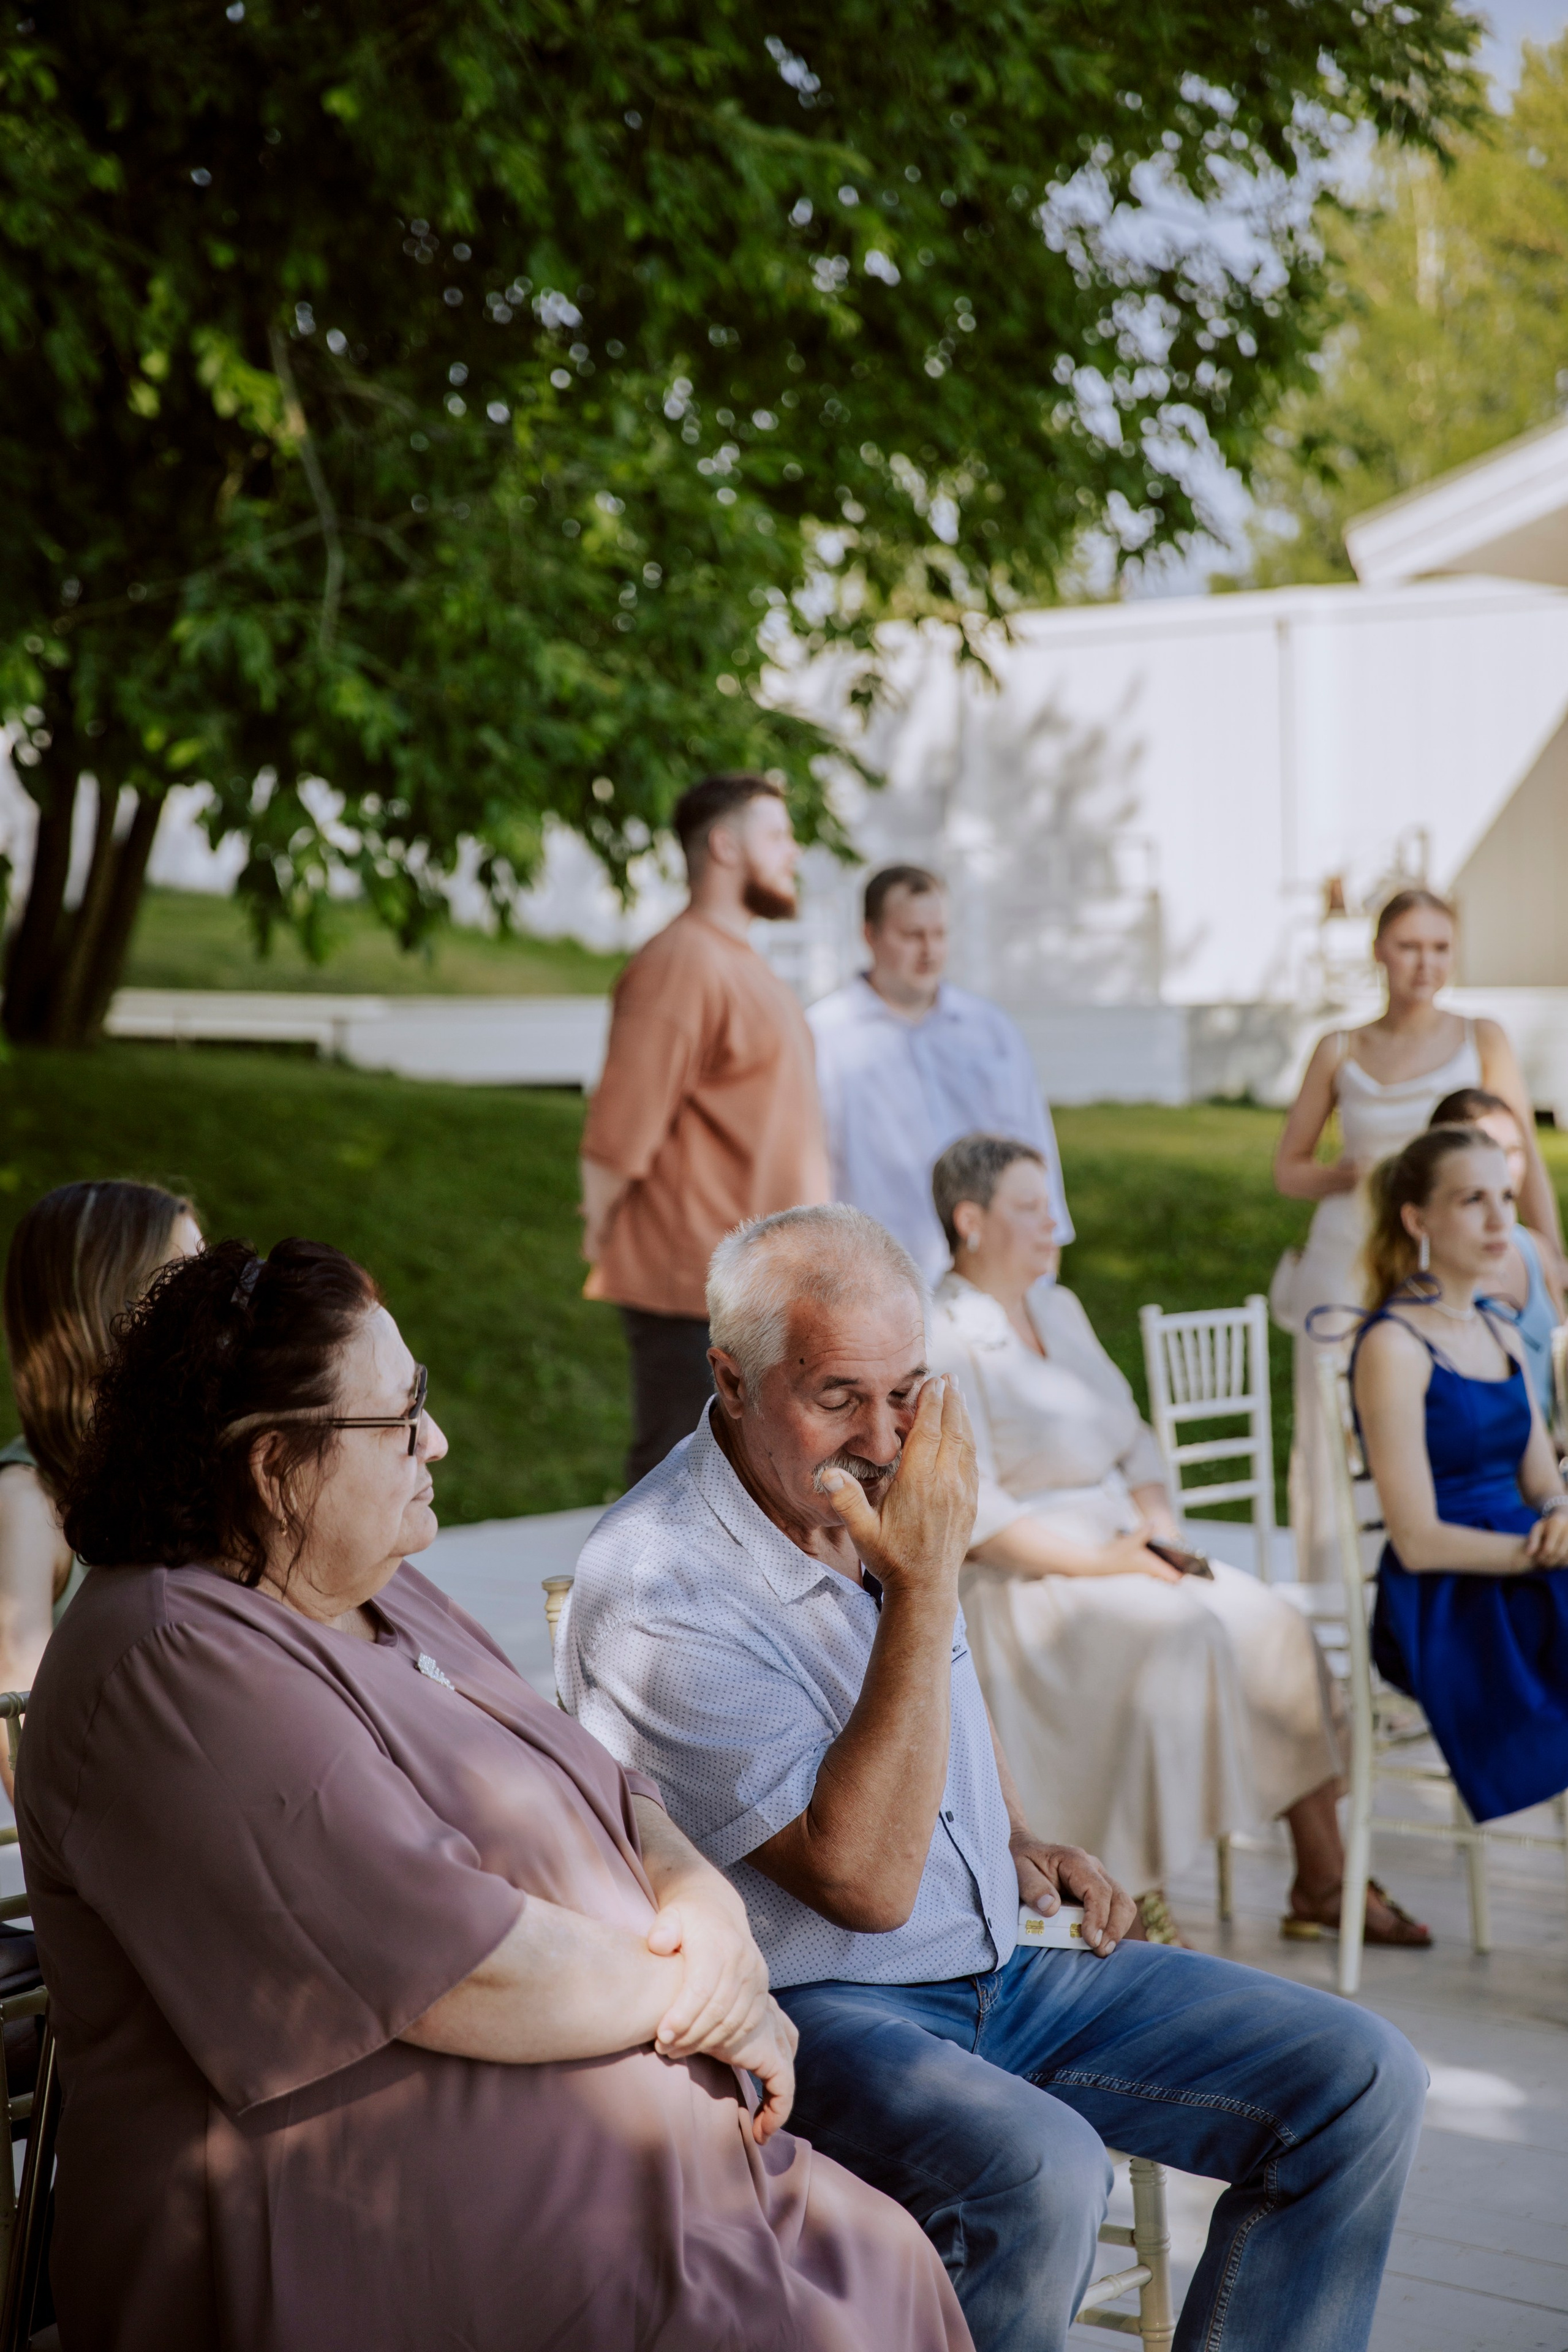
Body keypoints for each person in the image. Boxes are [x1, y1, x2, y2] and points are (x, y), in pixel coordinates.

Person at [17, 1235, 969, 2352]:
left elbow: (612, 1789)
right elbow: (448, 1969)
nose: (439, 1440)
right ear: (275, 1466)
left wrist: (707, 1918)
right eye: (400, 1415)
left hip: (630, 2170)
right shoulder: (166, 1657)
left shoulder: (382, 1585)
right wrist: (707, 2002)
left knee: (880, 2259)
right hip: (364, 2229)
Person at [559, 1203, 1427, 2352]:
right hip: (814, 2010)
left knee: (1362, 2076)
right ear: (728, 1378)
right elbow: (862, 1887)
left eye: (907, 1388)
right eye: (839, 1397)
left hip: (1000, 1961)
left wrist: (1013, 1835)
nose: (883, 1434)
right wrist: (924, 1581)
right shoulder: (656, 1586)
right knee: (1040, 2170)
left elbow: (947, 1692)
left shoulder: (861, 1489)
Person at [924, 1131, 1425, 1951]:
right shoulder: (940, 1330)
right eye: (1031, 1207)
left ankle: (1323, 1876)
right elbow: (976, 1511)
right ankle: (1132, 1886)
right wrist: (1104, 1560)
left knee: (1274, 1626)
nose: (1057, 1224)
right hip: (1030, 1575)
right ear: (971, 1221)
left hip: (1126, 1542)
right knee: (1180, 1639)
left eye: (1053, 1203)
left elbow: (1134, 1438)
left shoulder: (1060, 1306)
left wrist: (1156, 1527)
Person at [1273, 886, 1562, 1582]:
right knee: (1331, 1427)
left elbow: (1516, 1155)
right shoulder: (1338, 1047)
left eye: (1439, 947)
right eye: (1408, 946)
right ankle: (1333, 1591)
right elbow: (1288, 1169)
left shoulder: (1480, 1037)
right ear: (1379, 951)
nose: (1424, 963)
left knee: (1449, 1411)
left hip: (1450, 1248)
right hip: (1349, 1251)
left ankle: (1447, 1570)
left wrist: (1549, 1246)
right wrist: (1353, 1172)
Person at [580, 771, 829, 1486]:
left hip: (754, 1290)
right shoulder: (680, 962)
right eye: (777, 835)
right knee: (676, 1486)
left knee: (740, 1491)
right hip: (694, 1289)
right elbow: (618, 1130)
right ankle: (631, 1606)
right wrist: (604, 1232)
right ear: (723, 845)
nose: (794, 852)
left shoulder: (745, 964)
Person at [1352, 1125, 1568, 1825]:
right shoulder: (1393, 1345)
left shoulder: (1500, 1328)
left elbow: (1540, 1479)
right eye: (1473, 1199)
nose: (1501, 1218)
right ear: (1418, 1218)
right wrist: (1539, 1552)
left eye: (1505, 1196)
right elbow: (1415, 1540)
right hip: (1445, 1594)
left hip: (1525, 1560)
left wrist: (1560, 1513)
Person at [0, 1180, 200, 1778]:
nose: (219, 1298)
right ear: (108, 1299)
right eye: (186, 1275)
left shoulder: (181, 1465)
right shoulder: (29, 1500)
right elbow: (20, 1736)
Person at [807, 865, 1072, 1289]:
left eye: (940, 933)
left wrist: (1045, 1263)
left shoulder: (990, 1029)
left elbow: (1035, 1148)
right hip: (879, 1284)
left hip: (994, 1279)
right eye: (912, 935)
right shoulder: (823, 1036)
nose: (929, 951)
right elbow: (809, 1168)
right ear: (870, 935)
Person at [1428, 1086, 1564, 1424]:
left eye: (1515, 1149)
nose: (1505, 1164)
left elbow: (1561, 1364)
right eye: (1490, 1148)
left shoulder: (1534, 1249)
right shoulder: (1432, 1267)